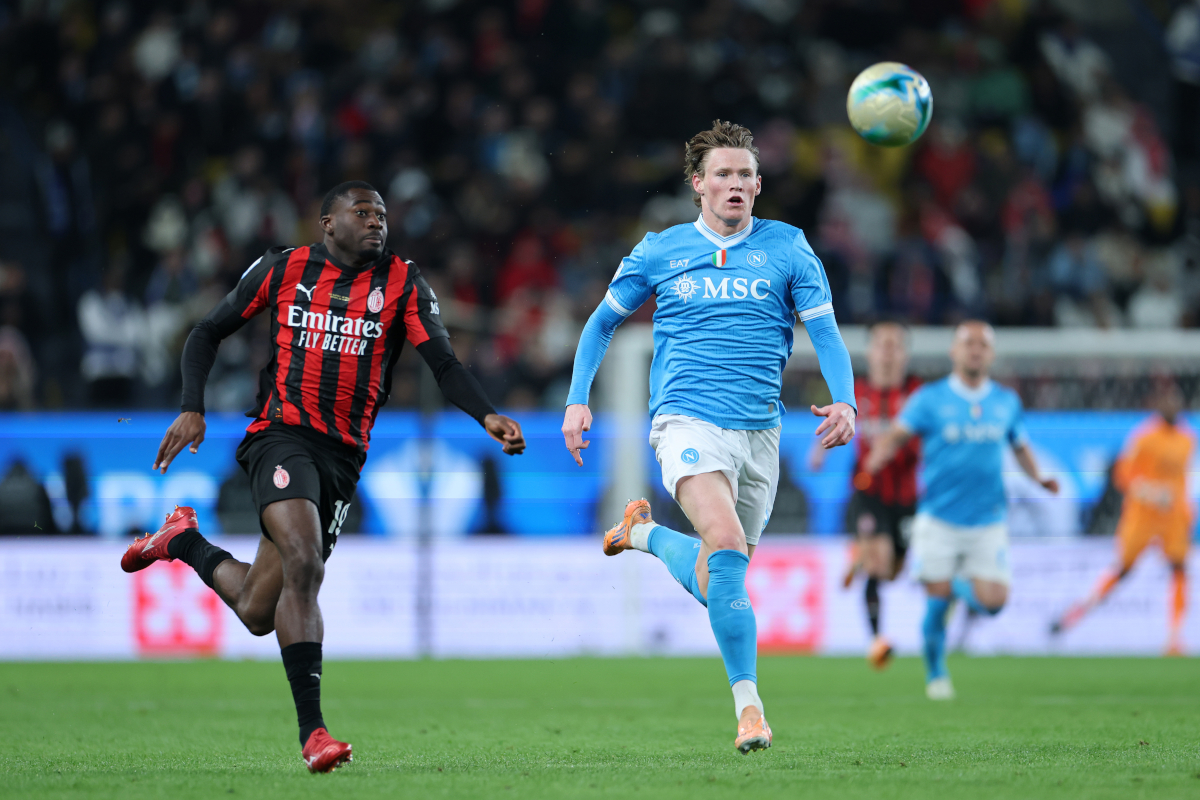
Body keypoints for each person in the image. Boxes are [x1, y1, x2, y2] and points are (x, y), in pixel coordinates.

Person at [120, 182, 525, 772]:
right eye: (361, 213)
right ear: (327, 223)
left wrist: (487, 412)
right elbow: (207, 330)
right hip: (281, 436)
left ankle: (180, 539)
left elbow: (443, 362)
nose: (376, 222)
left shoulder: (405, 284)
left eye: (382, 214)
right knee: (305, 560)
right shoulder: (284, 269)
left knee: (260, 611)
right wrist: (192, 405)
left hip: (342, 458)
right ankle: (314, 733)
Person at [561, 121, 857, 753]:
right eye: (722, 174)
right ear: (697, 184)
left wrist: (846, 400)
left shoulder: (789, 248)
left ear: (758, 184)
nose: (735, 184)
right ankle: (749, 709)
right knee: (722, 541)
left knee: (719, 575)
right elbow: (601, 323)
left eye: (746, 174)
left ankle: (640, 534)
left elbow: (825, 333)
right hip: (686, 421)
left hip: (761, 431)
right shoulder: (660, 251)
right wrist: (577, 399)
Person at [865, 322, 1058, 700]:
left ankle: (953, 584)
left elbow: (1020, 446)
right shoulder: (929, 398)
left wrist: (1039, 479)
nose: (974, 350)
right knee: (936, 607)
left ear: (991, 354)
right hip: (938, 518)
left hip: (987, 520)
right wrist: (879, 451)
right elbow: (898, 432)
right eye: (967, 343)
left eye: (982, 344)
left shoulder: (1005, 401)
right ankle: (936, 676)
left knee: (994, 603)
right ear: (953, 352)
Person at [1051, 383, 1193, 654]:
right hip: (1143, 516)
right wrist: (1148, 491)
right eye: (1167, 402)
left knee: (1179, 569)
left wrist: (1185, 509)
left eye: (1176, 402)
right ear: (1158, 406)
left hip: (1173, 518)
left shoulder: (1187, 438)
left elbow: (1181, 479)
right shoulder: (1144, 437)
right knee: (1123, 570)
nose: (1172, 407)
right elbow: (1123, 474)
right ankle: (1077, 613)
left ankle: (1175, 638)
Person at [812, 321, 920, 670]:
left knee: (892, 571)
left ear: (904, 354)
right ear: (870, 352)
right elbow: (839, 419)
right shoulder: (856, 391)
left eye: (895, 345)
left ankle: (860, 556)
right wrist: (820, 452)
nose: (888, 352)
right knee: (879, 563)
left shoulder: (918, 394)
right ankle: (876, 641)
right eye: (881, 345)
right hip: (867, 490)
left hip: (906, 498)